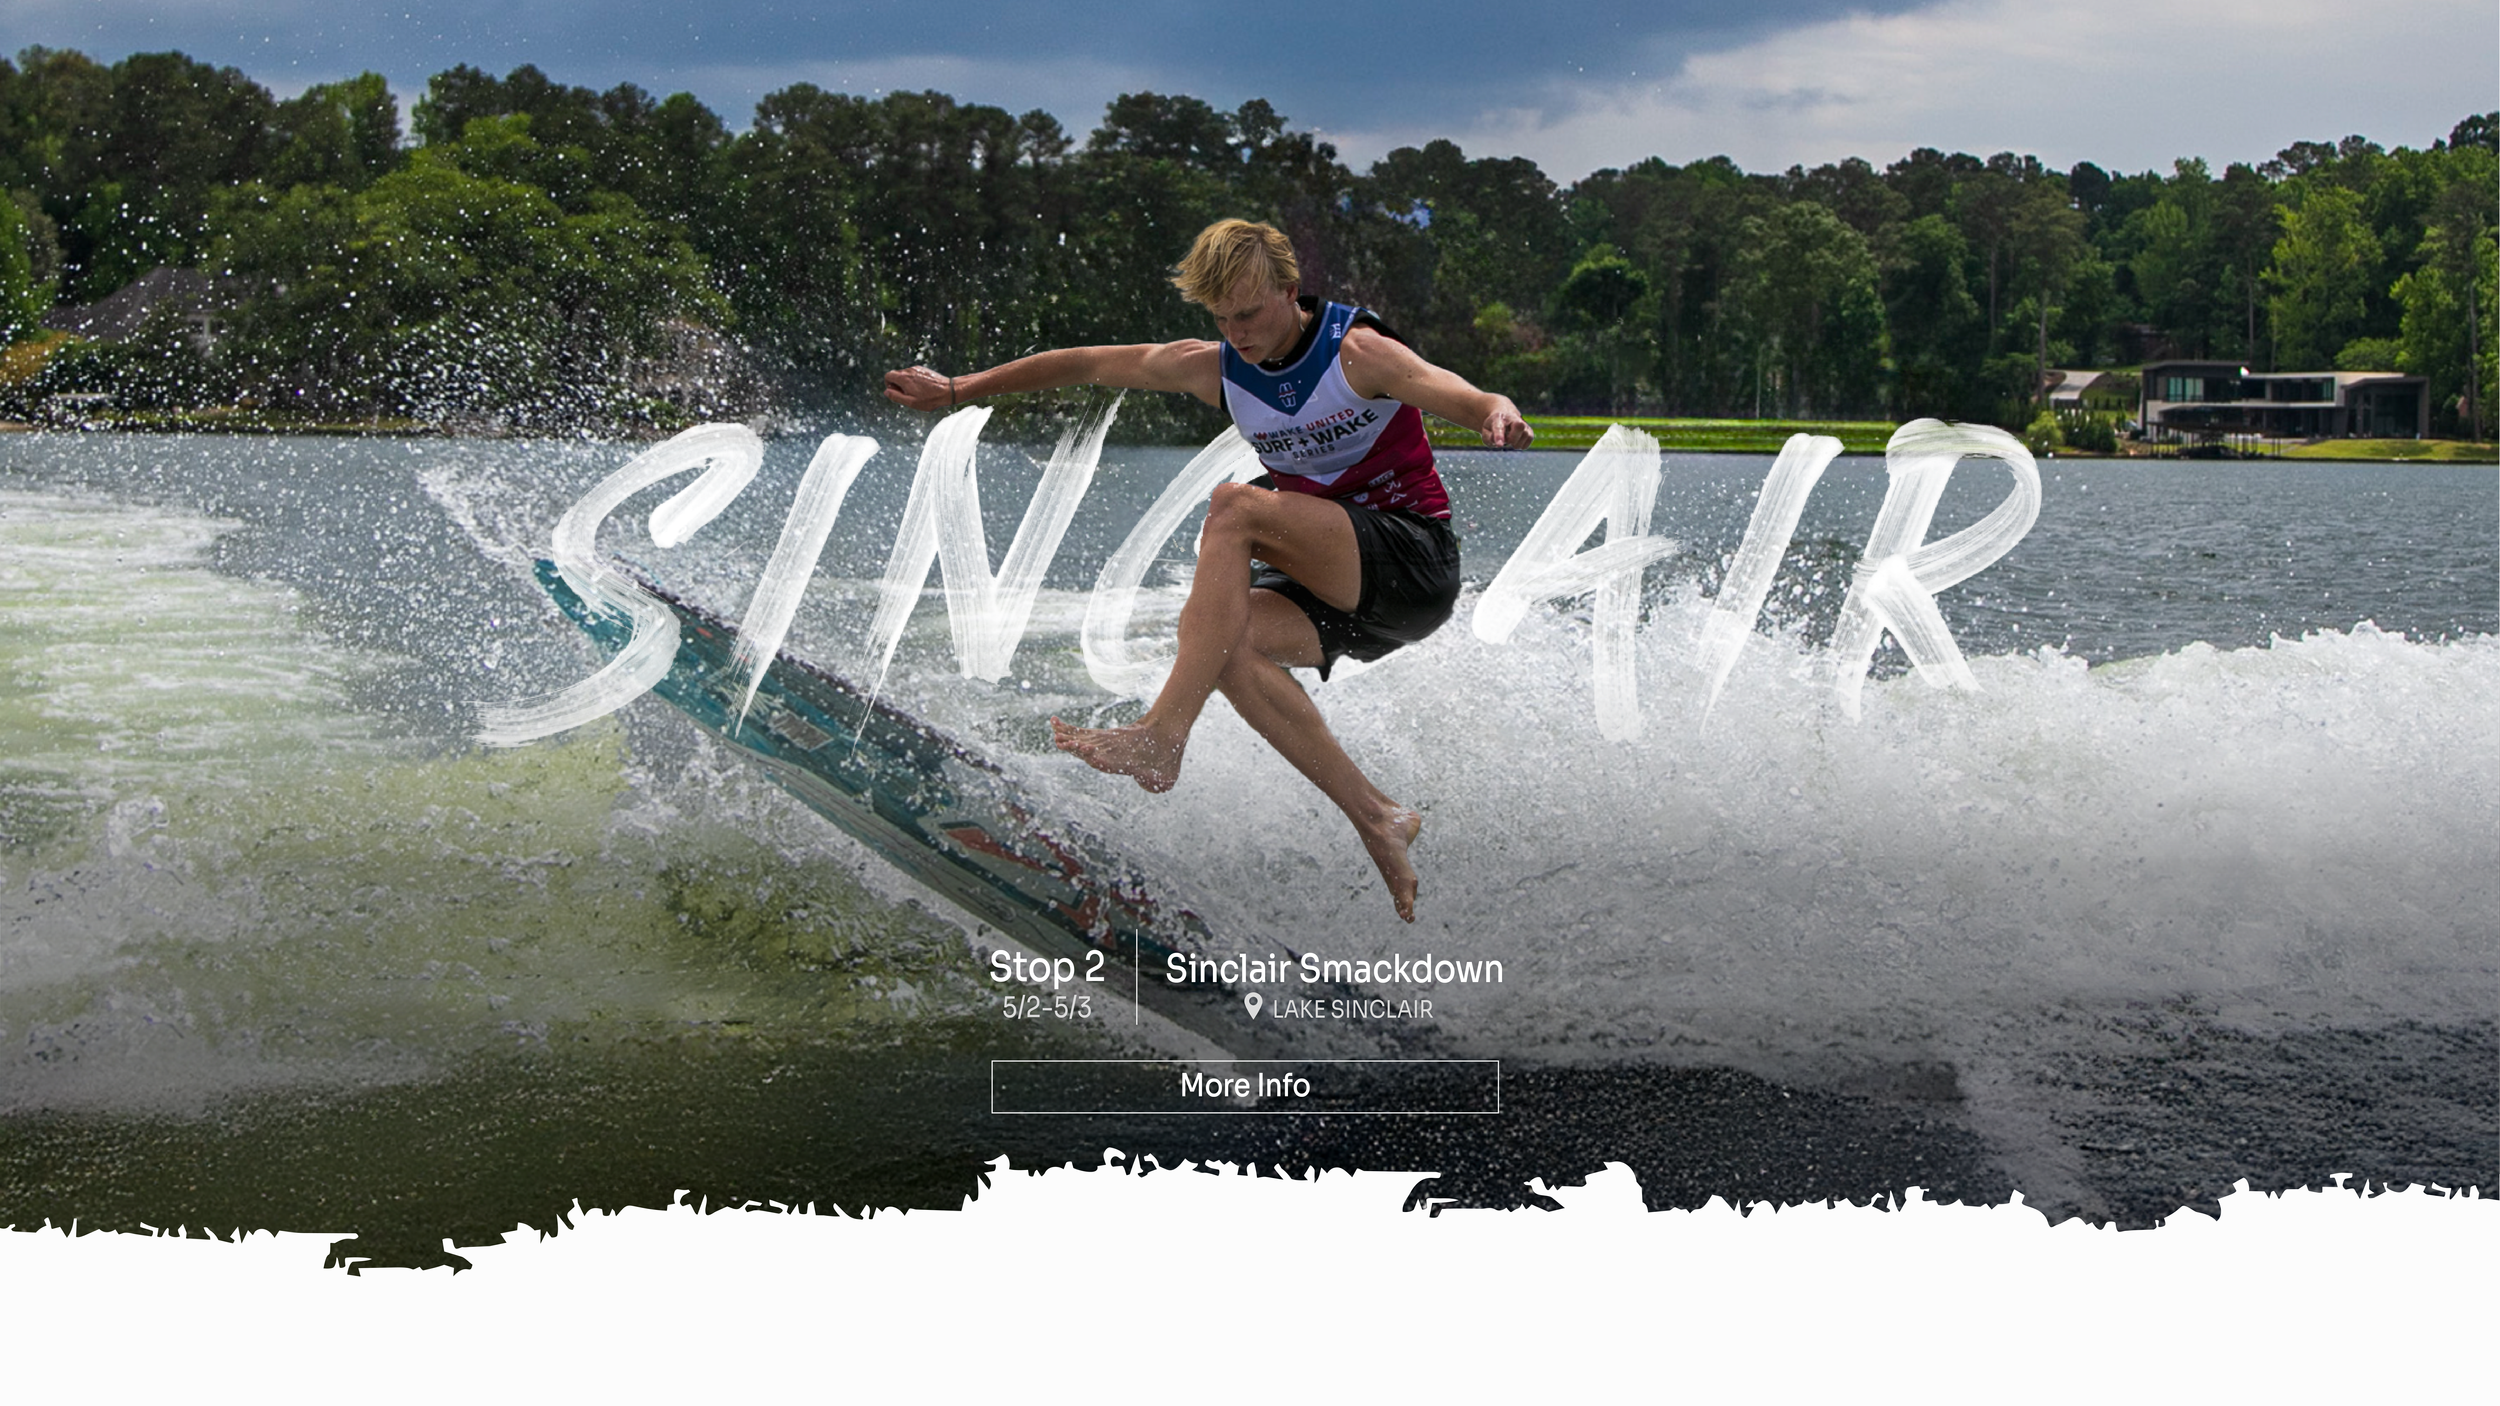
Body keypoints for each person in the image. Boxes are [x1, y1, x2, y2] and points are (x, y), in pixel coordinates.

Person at [884, 218, 1531, 922]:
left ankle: (1163, 736)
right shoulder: (1216, 367)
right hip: (1334, 583)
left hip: (1411, 562)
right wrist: (958, 389)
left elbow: (1462, 394)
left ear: (1290, 291)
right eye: (1223, 318)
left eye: (1250, 313)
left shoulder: (1357, 353)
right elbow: (1086, 362)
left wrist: (1499, 414)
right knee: (1226, 642)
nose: (1239, 333)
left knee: (1235, 507)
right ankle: (1378, 816)